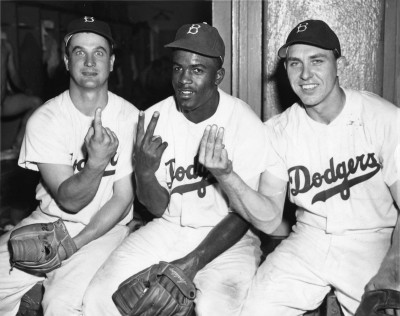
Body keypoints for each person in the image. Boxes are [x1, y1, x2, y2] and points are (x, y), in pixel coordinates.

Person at [199, 19, 400, 316]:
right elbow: (268, 219)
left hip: (373, 240)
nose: (305, 74)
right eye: (295, 64)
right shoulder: (278, 131)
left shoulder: (382, 117)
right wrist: (226, 176)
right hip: (309, 239)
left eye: (316, 61)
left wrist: (393, 268)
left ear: (338, 63)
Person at [83, 22, 268, 316]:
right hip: (169, 229)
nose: (184, 79)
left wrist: (193, 261)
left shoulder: (244, 123)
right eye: (178, 68)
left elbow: (245, 215)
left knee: (215, 308)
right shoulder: (154, 119)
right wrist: (144, 171)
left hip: (229, 238)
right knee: (99, 297)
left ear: (218, 76)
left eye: (197, 70)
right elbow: (158, 209)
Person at [0, 16, 138, 316]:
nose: (89, 61)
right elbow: (68, 199)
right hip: (48, 221)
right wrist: (96, 163)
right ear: (65, 60)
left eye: (99, 52)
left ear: (112, 61)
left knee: (62, 305)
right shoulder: (45, 119)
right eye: (79, 52)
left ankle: (41, 294)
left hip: (104, 229)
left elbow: (122, 197)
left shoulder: (130, 117)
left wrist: (73, 245)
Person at [1, 30, 43, 160]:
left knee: (36, 103)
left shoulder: (5, 46)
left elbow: (13, 75)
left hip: (3, 103)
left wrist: (25, 89)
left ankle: (16, 147)